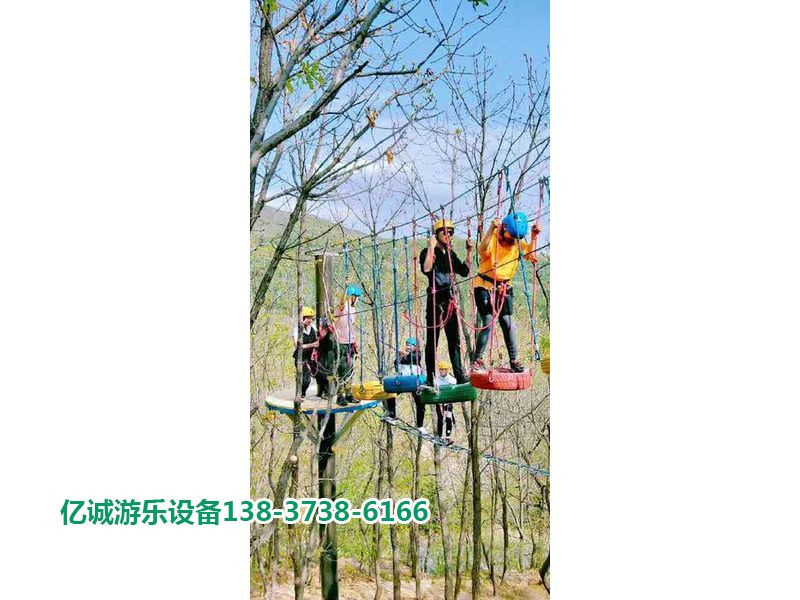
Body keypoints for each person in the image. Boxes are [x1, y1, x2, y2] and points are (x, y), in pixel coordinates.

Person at [471, 212, 541, 373]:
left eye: (515, 238)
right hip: (484, 286)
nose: (512, 240)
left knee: (507, 322)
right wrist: (490, 229)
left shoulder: (516, 242)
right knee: (488, 322)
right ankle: (477, 360)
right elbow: (482, 250)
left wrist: (533, 237)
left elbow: (531, 255)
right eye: (511, 236)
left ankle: (514, 360)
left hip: (504, 287)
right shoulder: (493, 237)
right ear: (503, 228)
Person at [419, 218, 473, 386]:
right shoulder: (427, 252)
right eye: (445, 232)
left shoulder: (450, 255)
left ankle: (459, 374)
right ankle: (430, 377)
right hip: (435, 300)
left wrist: (469, 252)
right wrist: (430, 247)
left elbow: (464, 271)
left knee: (454, 340)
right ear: (437, 234)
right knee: (432, 341)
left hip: (449, 300)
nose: (448, 235)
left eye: (451, 232)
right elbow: (426, 269)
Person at [387, 337, 426, 427]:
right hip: (404, 380)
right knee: (390, 393)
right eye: (407, 345)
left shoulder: (417, 354)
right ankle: (392, 415)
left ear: (415, 347)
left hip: (415, 381)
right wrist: (399, 356)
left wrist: (404, 354)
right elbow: (396, 364)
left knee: (420, 402)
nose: (408, 347)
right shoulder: (403, 357)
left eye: (410, 345)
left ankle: (420, 425)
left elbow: (412, 358)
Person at [332, 284, 362, 406]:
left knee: (350, 370)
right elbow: (341, 302)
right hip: (341, 343)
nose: (358, 299)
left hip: (350, 343)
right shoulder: (343, 307)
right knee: (342, 370)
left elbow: (351, 327)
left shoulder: (353, 309)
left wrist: (355, 341)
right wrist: (346, 288)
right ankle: (340, 396)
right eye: (357, 297)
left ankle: (348, 394)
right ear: (352, 296)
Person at [292, 306, 319, 398]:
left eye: (311, 318)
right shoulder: (297, 329)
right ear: (303, 318)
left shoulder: (313, 328)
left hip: (310, 357)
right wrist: (311, 345)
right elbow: (297, 345)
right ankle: (301, 394)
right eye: (308, 318)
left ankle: (304, 392)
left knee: (317, 375)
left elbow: (318, 342)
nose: (310, 320)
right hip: (300, 357)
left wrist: (307, 345)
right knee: (306, 379)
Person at [433, 361, 457, 443]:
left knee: (448, 418)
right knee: (440, 418)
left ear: (447, 370)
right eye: (440, 369)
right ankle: (439, 436)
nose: (441, 371)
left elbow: (453, 390)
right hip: (439, 401)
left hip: (448, 402)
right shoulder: (436, 379)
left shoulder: (451, 379)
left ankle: (447, 436)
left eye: (443, 369)